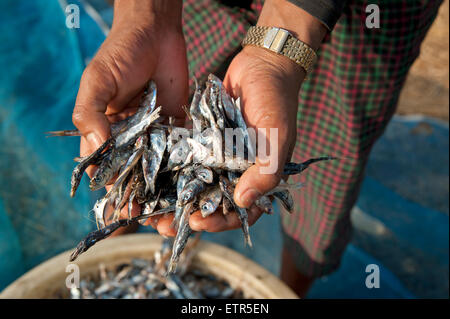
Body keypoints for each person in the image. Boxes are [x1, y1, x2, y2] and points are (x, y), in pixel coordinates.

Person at [71, 0, 443, 297]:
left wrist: (277, 53)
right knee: (174, 97)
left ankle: (291, 288)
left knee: (325, 180)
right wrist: (146, 14)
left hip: (368, 18)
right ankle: (113, 243)